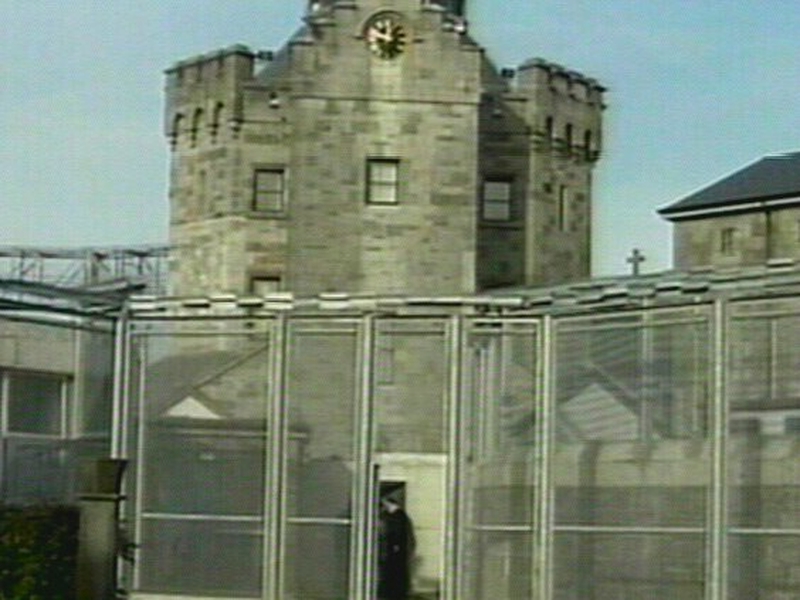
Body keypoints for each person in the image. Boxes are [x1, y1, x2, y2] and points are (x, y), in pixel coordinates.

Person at [377, 489, 416, 600]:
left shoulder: (396, 517)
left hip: (394, 554)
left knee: (393, 579)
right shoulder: (402, 517)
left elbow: (395, 534)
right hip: (399, 553)